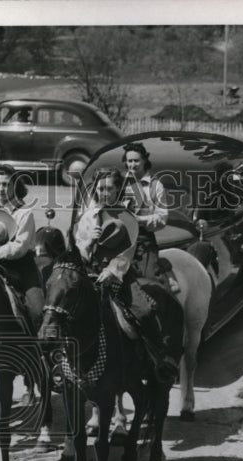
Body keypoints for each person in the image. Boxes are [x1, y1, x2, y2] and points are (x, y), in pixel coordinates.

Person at [74, 166, 182, 383]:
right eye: (100, 189)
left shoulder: (127, 218)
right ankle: (63, 360)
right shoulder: (88, 216)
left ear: (118, 190)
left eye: (109, 189)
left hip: (118, 276)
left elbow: (127, 253)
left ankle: (158, 357)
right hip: (89, 273)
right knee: (62, 306)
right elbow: (78, 248)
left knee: (144, 311)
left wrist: (111, 271)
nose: (105, 193)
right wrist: (88, 241)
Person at [0, 165, 44, 332]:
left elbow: (19, 247)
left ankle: (41, 344)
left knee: (37, 310)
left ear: (15, 186)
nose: (1, 189)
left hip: (21, 265)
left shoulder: (24, 212)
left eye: (6, 184)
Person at [121, 141, 180, 292]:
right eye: (129, 161)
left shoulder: (155, 186)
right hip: (120, 239)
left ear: (144, 160)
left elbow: (162, 217)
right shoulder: (120, 182)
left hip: (143, 241)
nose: (132, 165)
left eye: (136, 161)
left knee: (150, 283)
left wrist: (140, 220)